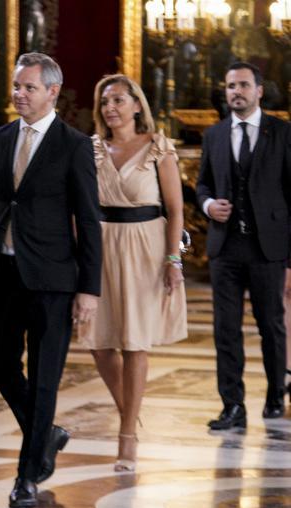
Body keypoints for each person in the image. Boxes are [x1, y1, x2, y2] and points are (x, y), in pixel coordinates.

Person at [0, 52, 101, 508]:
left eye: (27, 87)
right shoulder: (0, 138)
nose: (18, 94)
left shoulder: (74, 144)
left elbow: (89, 219)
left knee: (45, 378)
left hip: (54, 278)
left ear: (52, 92)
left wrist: (89, 287)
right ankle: (47, 433)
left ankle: (27, 475)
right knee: (1, 366)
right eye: (16, 86)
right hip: (3, 274)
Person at [79, 75, 187, 472]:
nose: (111, 107)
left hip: (146, 246)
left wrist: (173, 259)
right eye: (105, 101)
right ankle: (130, 412)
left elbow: (175, 210)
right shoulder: (89, 149)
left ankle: (127, 436)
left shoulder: (159, 147)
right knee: (97, 340)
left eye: (119, 100)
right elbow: (80, 208)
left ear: (137, 105)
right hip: (102, 246)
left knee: (135, 342)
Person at [196, 61, 291, 430]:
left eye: (243, 85)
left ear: (259, 90)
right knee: (225, 330)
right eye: (231, 85)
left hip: (268, 249)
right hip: (226, 250)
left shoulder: (282, 133)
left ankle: (274, 395)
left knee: (271, 325)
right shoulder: (214, 135)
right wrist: (208, 205)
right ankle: (232, 405)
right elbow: (202, 185)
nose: (236, 91)